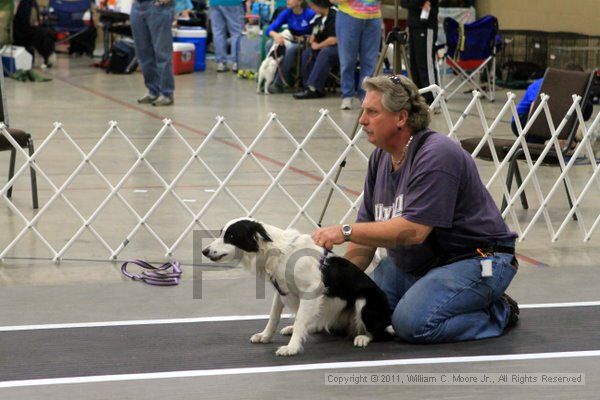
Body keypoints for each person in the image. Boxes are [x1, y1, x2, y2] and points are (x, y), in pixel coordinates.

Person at [312, 74, 520, 344]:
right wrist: (330, 284)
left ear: (401, 118)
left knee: (412, 325)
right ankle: (433, 296)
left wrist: (345, 231)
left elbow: (414, 232)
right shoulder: (380, 157)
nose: (362, 120)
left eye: (372, 112)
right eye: (363, 111)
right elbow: (365, 242)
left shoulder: (436, 155)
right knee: (350, 317)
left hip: (475, 259)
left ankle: (498, 310)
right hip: (419, 265)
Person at [511, 63, 594, 143]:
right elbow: (534, 108)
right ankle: (540, 140)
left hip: (548, 117)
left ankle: (565, 139)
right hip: (522, 119)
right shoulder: (543, 84)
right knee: (544, 120)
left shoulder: (568, 89)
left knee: (585, 106)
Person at [332, 0, 381, 110]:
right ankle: (347, 95)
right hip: (348, 16)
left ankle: (366, 95)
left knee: (370, 61)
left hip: (374, 16)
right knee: (347, 60)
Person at [130, 0, 176, 106]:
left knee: (162, 53)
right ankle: (153, 90)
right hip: (138, 6)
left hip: (159, 7)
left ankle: (166, 93)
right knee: (143, 53)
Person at [264, 0, 316, 93]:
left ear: (300, 2)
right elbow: (269, 29)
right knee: (269, 43)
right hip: (291, 39)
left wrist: (308, 37)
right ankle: (268, 78)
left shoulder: (310, 13)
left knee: (291, 49)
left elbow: (316, 31)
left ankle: (278, 83)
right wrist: (276, 35)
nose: (288, 1)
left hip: (305, 43)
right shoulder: (287, 12)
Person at [292, 0, 338, 100]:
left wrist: (318, 46)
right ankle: (308, 87)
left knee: (324, 53)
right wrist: (312, 42)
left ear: (321, 5)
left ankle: (314, 88)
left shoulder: (334, 15)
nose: (312, 8)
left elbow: (334, 39)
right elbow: (314, 35)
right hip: (321, 46)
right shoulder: (318, 18)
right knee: (307, 53)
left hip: (336, 48)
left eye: (313, 6)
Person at [400, 0, 438, 105]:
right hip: (413, 25)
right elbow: (404, 3)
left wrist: (419, 4)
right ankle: (418, 97)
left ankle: (433, 99)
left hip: (426, 26)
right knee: (414, 64)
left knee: (425, 63)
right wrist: (419, 4)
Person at [209, 0, 245, 72]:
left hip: (214, 3)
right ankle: (236, 62)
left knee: (218, 32)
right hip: (233, 3)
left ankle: (221, 63)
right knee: (236, 32)